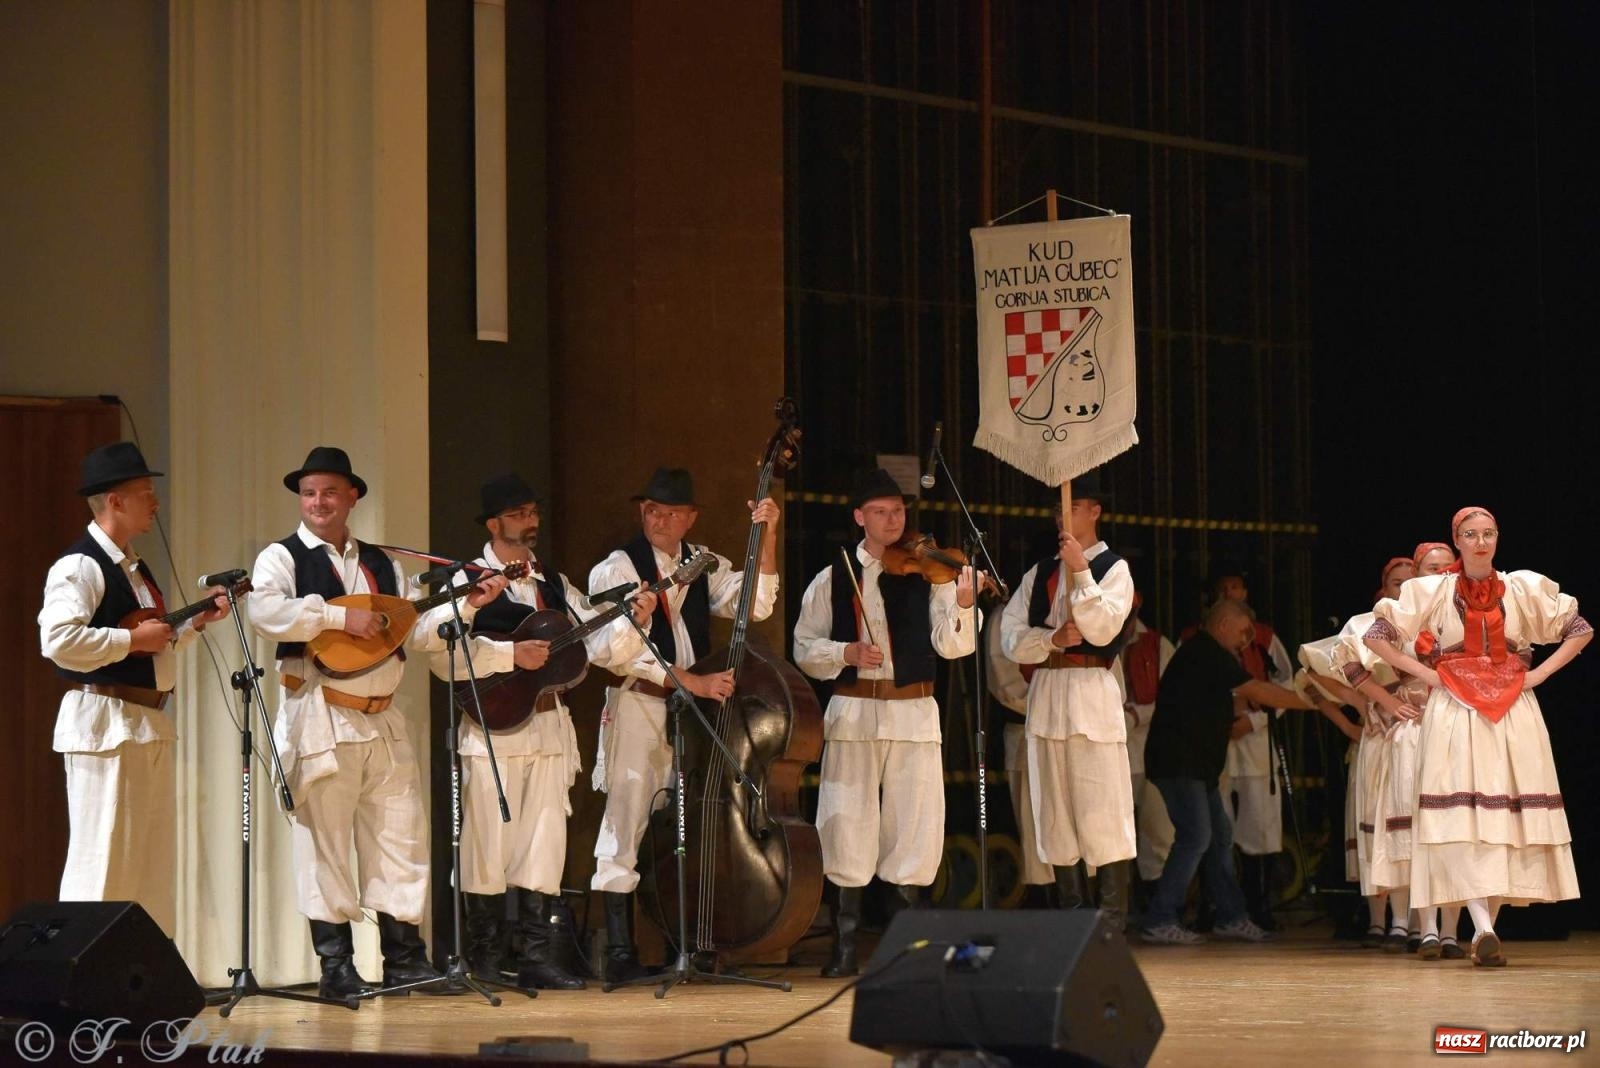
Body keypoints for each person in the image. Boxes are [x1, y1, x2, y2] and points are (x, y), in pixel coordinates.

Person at [250, 446, 510, 998]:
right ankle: (336, 968)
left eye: (329, 491)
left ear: (352, 497)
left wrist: (467, 605)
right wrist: (339, 616)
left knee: (400, 837)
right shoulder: (282, 556)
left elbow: (415, 631)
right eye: (309, 493)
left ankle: (405, 961)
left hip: (382, 718)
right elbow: (265, 613)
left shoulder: (384, 563)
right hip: (320, 715)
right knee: (323, 843)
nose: (318, 502)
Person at [431, 473, 656, 990]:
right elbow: (443, 657)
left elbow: (597, 646)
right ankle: (484, 957)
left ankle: (536, 954)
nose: (531, 521)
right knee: (487, 840)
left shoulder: (552, 581)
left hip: (549, 724)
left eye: (533, 512)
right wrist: (508, 655)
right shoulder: (467, 581)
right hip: (495, 727)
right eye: (519, 514)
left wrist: (632, 620)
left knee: (545, 839)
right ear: (493, 525)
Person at [1361, 507, 1589, 967]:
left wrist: (1539, 674)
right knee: (1459, 820)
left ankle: (1487, 928)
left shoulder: (1519, 588)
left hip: (1512, 710)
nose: (1480, 542)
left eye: (1488, 533)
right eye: (1471, 534)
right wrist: (1430, 674)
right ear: (1457, 540)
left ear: (1497, 538)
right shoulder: (1434, 590)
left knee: (1503, 821)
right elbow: (1377, 635)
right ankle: (1482, 927)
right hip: (1455, 710)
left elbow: (1579, 629)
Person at [587, 467, 780, 982]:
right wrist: (687, 678)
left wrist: (767, 536)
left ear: (690, 518)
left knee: (685, 823)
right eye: (652, 510)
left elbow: (755, 604)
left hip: (688, 713)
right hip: (640, 702)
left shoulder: (702, 561)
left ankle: (685, 941)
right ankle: (620, 953)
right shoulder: (618, 567)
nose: (660, 520)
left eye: (672, 512)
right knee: (626, 816)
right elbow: (608, 652)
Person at [39, 442, 229, 939]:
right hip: (105, 719)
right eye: (146, 493)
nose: (155, 502)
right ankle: (80, 972)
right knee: (101, 857)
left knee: (147, 863)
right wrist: (130, 640)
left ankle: (136, 971)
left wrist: (194, 623)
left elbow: (150, 642)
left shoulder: (133, 567)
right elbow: (58, 641)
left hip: (144, 720)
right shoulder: (80, 566)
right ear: (115, 501)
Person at [795, 468, 979, 977]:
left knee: (914, 823)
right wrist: (846, 652)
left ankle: (906, 950)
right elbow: (804, 648)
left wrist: (964, 604)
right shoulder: (832, 577)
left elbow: (953, 646)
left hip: (914, 711)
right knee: (846, 821)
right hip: (853, 710)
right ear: (860, 517)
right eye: (881, 512)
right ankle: (844, 947)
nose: (893, 519)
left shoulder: (926, 573)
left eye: (898, 510)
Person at [1000, 475, 1137, 929]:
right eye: (1058, 509)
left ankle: (1111, 925)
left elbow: (1103, 627)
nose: (1062, 516)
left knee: (1103, 811)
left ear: (1095, 511)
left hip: (1090, 694)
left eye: (1073, 507)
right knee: (1055, 816)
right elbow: (1011, 638)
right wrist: (1050, 639)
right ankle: (1073, 922)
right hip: (1048, 695)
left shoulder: (1113, 568)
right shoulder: (1039, 572)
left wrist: (1081, 570)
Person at [1140, 598, 1317, 944]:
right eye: (1242, 632)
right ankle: (1160, 918)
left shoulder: (1206, 656)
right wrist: (1314, 701)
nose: (1246, 640)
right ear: (1223, 625)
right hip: (1180, 763)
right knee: (1195, 837)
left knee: (1219, 836)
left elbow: (1219, 701)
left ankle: (1230, 916)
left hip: (1197, 766)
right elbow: (1258, 689)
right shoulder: (1207, 651)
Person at [1208, 569, 1295, 930]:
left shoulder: (1265, 638)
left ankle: (1259, 907)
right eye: (1223, 587)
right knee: (1216, 827)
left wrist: (1255, 721)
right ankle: (1216, 907)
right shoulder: (1198, 640)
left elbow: (1287, 686)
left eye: (1235, 586)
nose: (1229, 590)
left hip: (1256, 741)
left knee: (1260, 825)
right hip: (1215, 741)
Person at [983, 610, 1052, 897]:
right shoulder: (1008, 613)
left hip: (1074, 731)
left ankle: (1082, 906)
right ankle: (1047, 907)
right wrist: (1054, 703)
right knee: (1036, 830)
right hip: (1028, 731)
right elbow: (1006, 686)